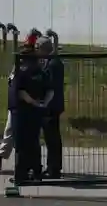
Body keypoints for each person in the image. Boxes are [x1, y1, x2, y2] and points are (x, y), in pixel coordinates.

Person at [0, 29, 42, 171]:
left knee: (15, 133)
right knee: (12, 132)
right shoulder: (21, 63)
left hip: (22, 106)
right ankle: (5, 160)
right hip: (16, 104)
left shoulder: (31, 65)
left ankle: (11, 162)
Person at [9, 42, 54, 184]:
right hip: (36, 112)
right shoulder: (41, 71)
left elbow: (21, 92)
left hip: (21, 112)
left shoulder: (21, 71)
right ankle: (36, 172)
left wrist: (33, 102)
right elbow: (50, 91)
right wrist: (43, 104)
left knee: (21, 143)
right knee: (34, 142)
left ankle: (21, 174)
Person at [36, 36, 64, 179]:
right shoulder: (51, 61)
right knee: (51, 138)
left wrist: (43, 104)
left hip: (51, 106)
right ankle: (53, 167)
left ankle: (53, 169)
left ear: (43, 48)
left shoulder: (53, 64)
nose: (36, 50)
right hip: (53, 105)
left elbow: (51, 88)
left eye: (37, 48)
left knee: (52, 138)